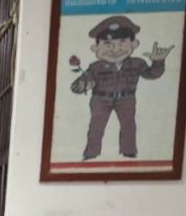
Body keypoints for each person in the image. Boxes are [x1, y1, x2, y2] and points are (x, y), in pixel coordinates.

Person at [69, 15, 173, 160]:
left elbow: (151, 74)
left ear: (134, 44)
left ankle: (129, 152)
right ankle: (91, 153)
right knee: (96, 127)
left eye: (123, 42)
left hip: (126, 99)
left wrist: (158, 62)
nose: (115, 48)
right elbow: (82, 81)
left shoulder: (137, 63)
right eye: (107, 43)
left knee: (128, 125)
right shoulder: (96, 67)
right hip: (101, 100)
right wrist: (82, 85)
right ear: (95, 48)